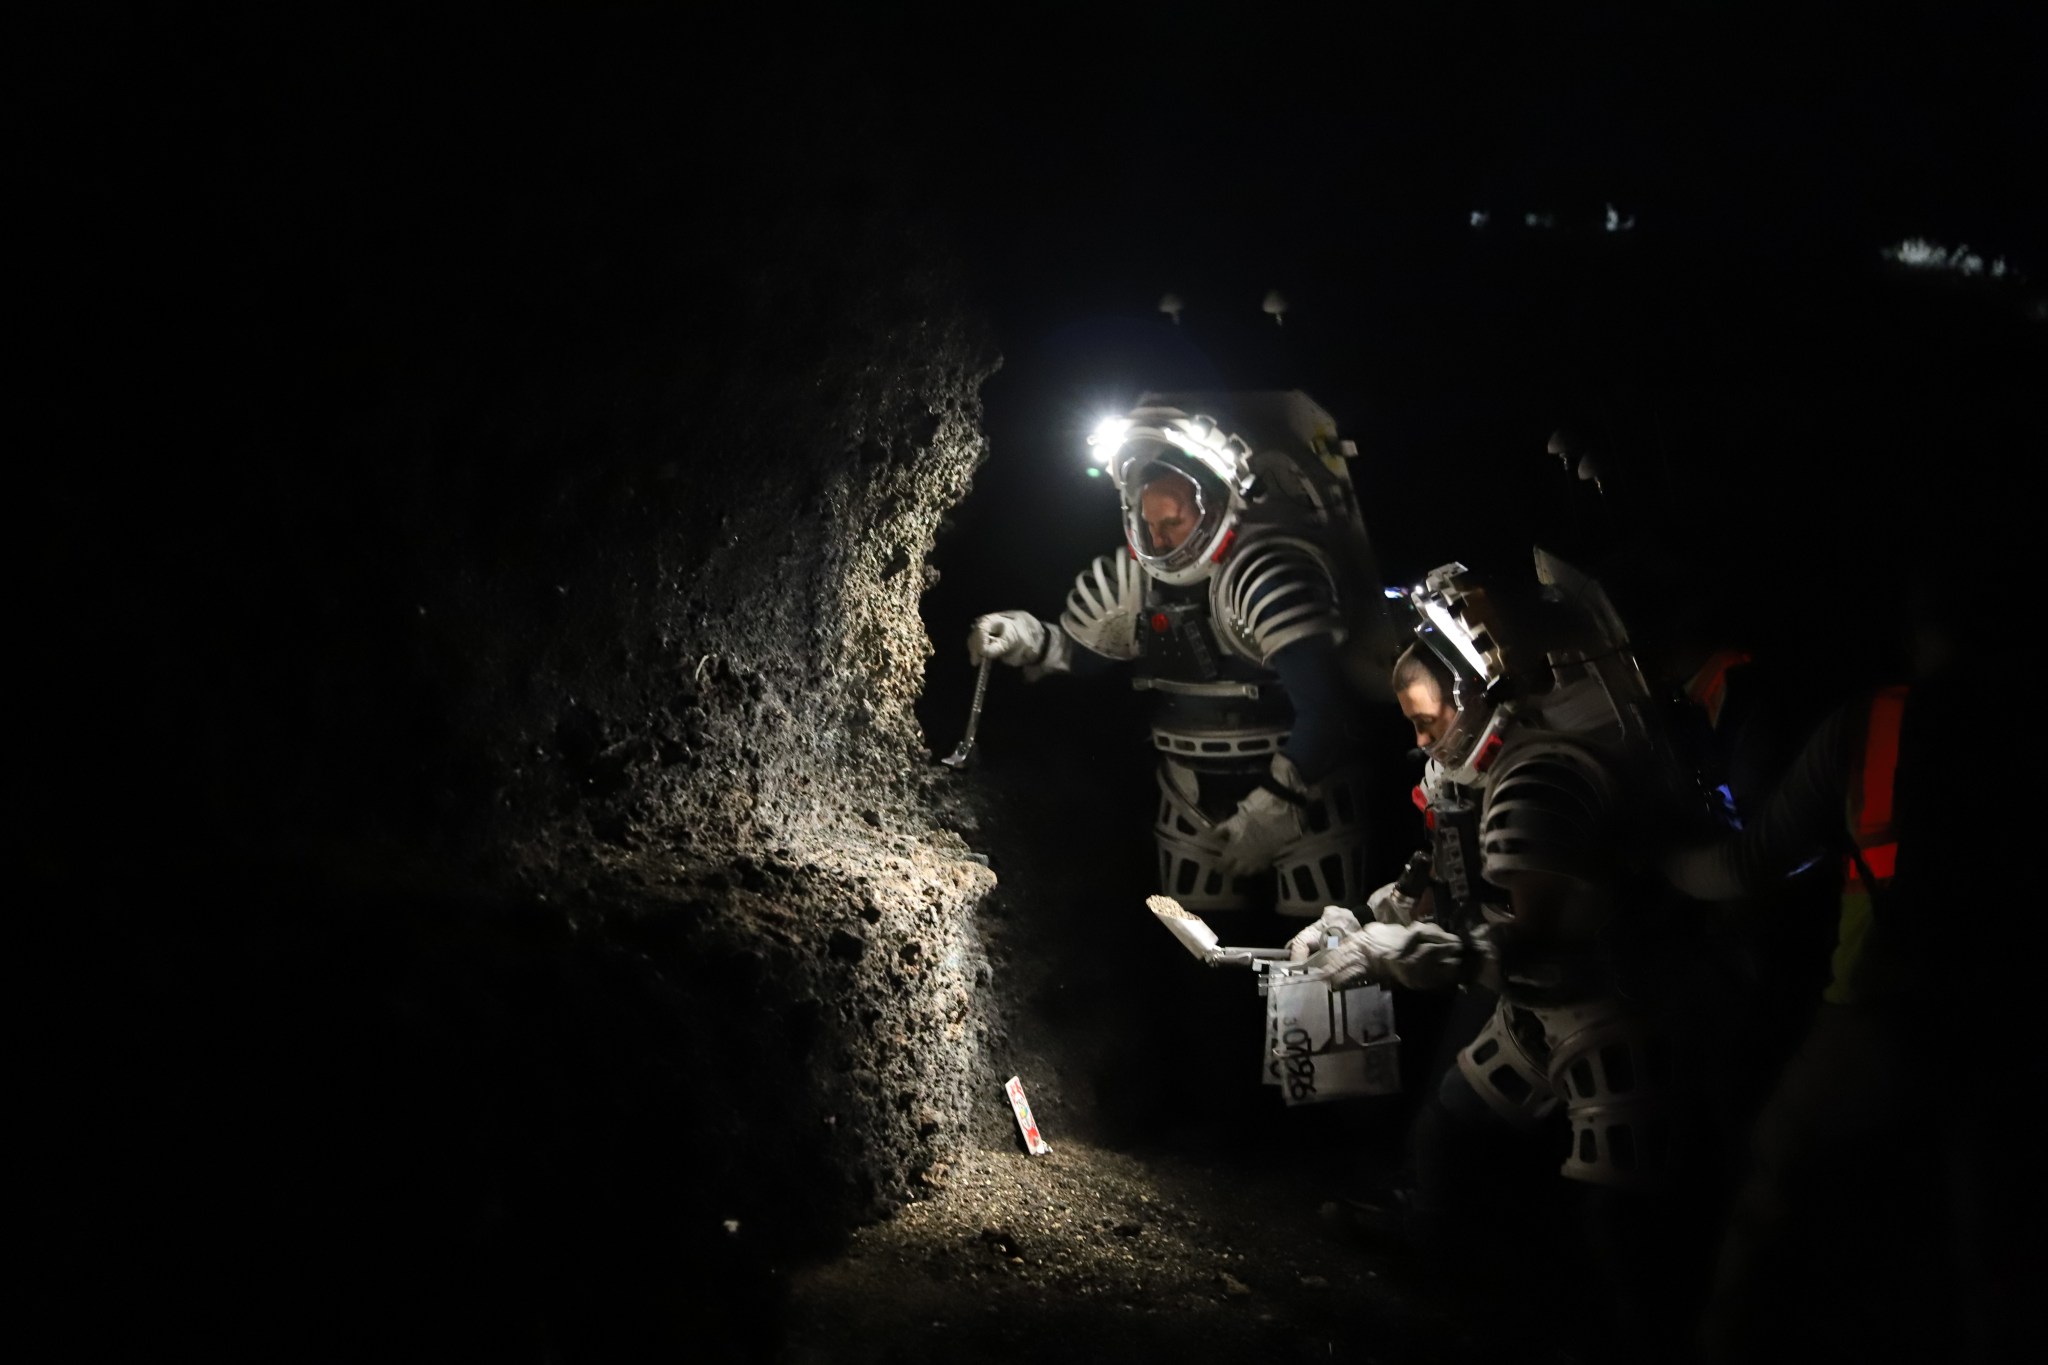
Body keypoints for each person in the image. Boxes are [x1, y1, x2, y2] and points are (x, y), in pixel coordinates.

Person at [1302, 551, 1723, 1358]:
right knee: (1446, 1137)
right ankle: (1451, 1295)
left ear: (1470, 696)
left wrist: (1416, 949)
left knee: (1619, 1220)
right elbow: (1444, 885)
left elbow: (1535, 929)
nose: (1421, 738)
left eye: (1427, 720)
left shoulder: (1537, 776)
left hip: (1609, 1017)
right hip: (1534, 1011)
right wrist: (1358, 922)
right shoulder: (1473, 774)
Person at [1659, 579, 2019, 1363]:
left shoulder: (1875, 721)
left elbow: (1751, 861)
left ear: (1919, 634)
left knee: (1775, 1174)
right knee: (1991, 1229)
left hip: (1881, 1003)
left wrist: (1657, 861)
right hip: (2007, 1013)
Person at [967, 391, 1393, 918]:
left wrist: (1278, 805)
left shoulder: (1268, 573)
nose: (1157, 538)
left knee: (1322, 961)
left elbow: (1325, 712)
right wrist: (1027, 636)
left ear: (1213, 501)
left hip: (1309, 800)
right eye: (1148, 523)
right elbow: (1081, 652)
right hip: (1188, 797)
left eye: (1172, 522)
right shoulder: (1129, 581)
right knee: (1195, 951)